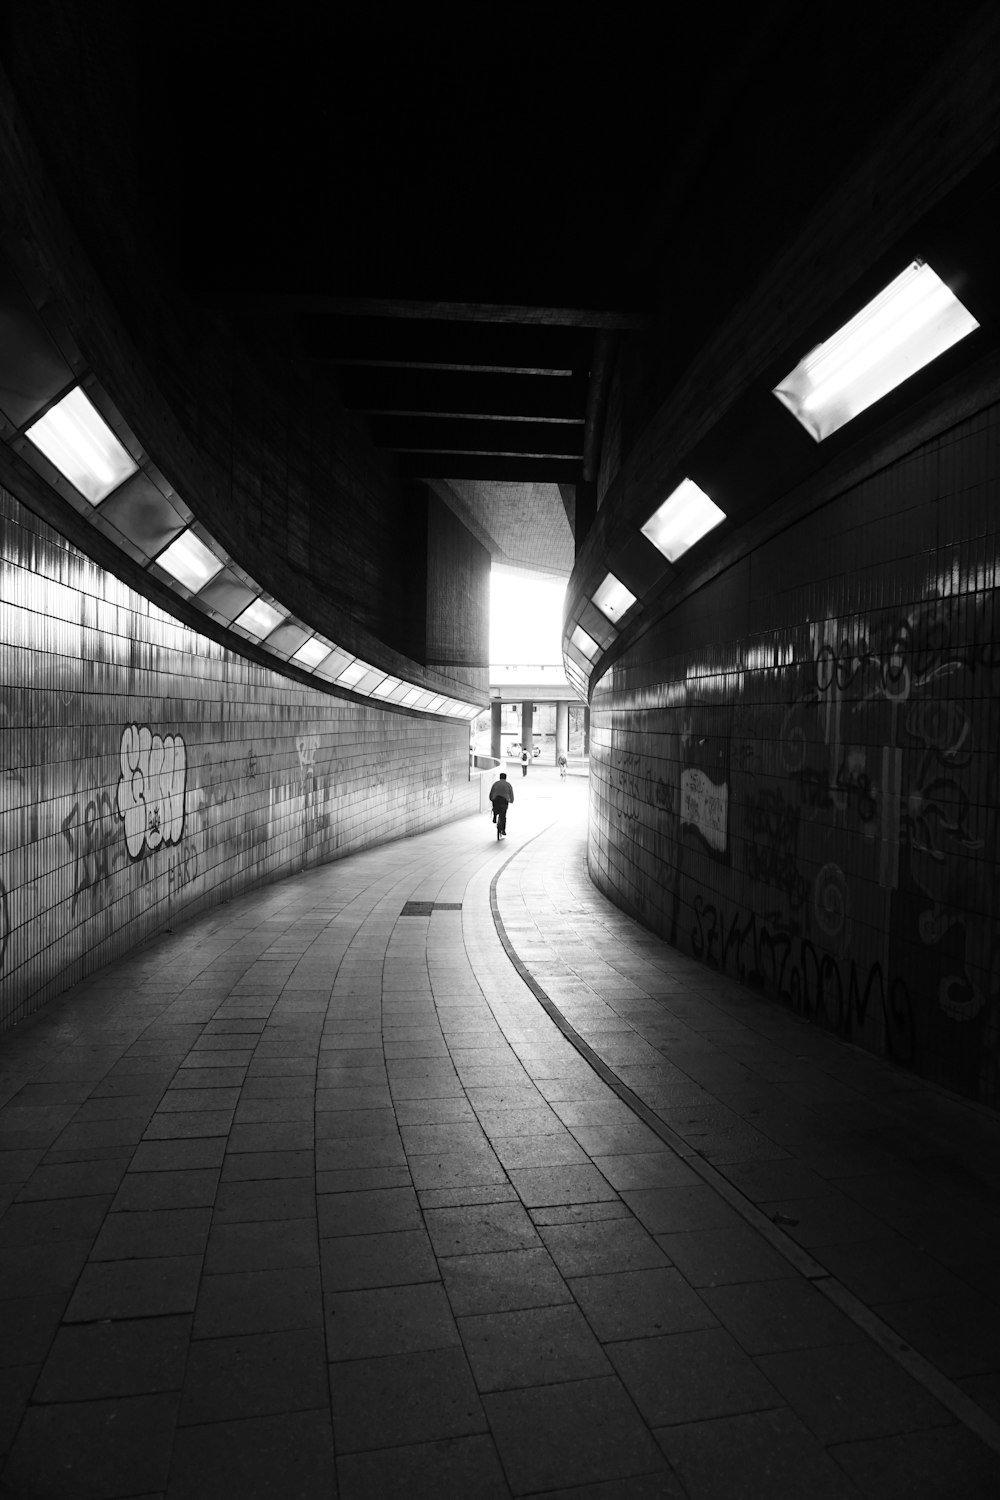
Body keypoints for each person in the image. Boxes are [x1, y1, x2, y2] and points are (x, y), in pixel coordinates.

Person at [489, 771, 514, 837]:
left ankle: (494, 816)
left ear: (500, 777)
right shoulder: (508, 784)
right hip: (504, 800)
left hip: (496, 799)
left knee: (495, 808)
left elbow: (491, 792)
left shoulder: (496, 783)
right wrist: (511, 800)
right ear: (505, 778)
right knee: (503, 816)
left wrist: (491, 798)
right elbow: (511, 793)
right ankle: (503, 830)